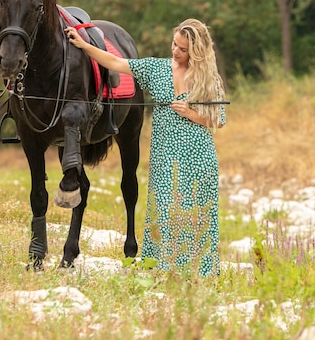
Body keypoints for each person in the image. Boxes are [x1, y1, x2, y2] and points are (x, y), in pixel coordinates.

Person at [65, 19, 226, 277]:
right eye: (175, 44)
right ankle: (165, 272)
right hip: (165, 154)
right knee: (163, 211)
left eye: (183, 49)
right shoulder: (156, 68)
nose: (175, 51)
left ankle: (198, 274)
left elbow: (218, 119)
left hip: (198, 155)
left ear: (196, 52)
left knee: (196, 214)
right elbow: (117, 63)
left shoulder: (207, 78)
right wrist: (84, 46)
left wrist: (191, 113)